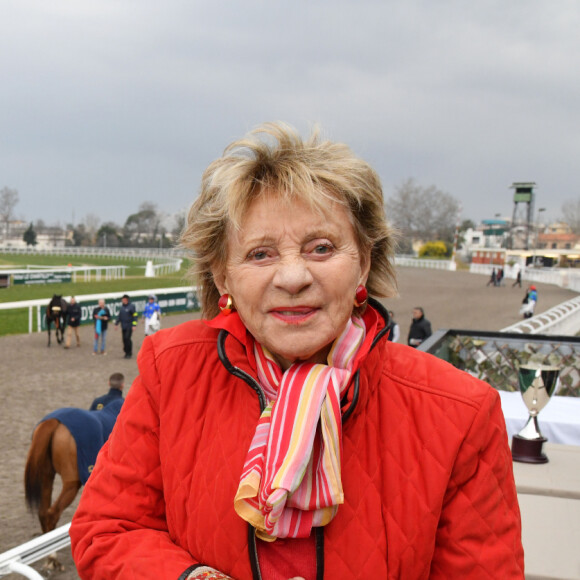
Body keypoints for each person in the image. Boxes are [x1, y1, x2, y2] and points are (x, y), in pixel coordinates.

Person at [70, 123, 523, 579]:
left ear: (364, 261)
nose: (292, 277)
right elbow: (108, 528)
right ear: (222, 277)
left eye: (321, 248)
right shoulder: (170, 369)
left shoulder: (462, 411)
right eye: (260, 254)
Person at [115, 294, 138, 359]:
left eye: (123, 299)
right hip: (123, 326)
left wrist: (134, 325)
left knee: (127, 338)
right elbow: (119, 316)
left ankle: (129, 352)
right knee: (124, 339)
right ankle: (126, 351)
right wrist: (116, 323)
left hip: (129, 326)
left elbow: (135, 316)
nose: (122, 300)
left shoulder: (131, 307)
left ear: (126, 300)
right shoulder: (122, 307)